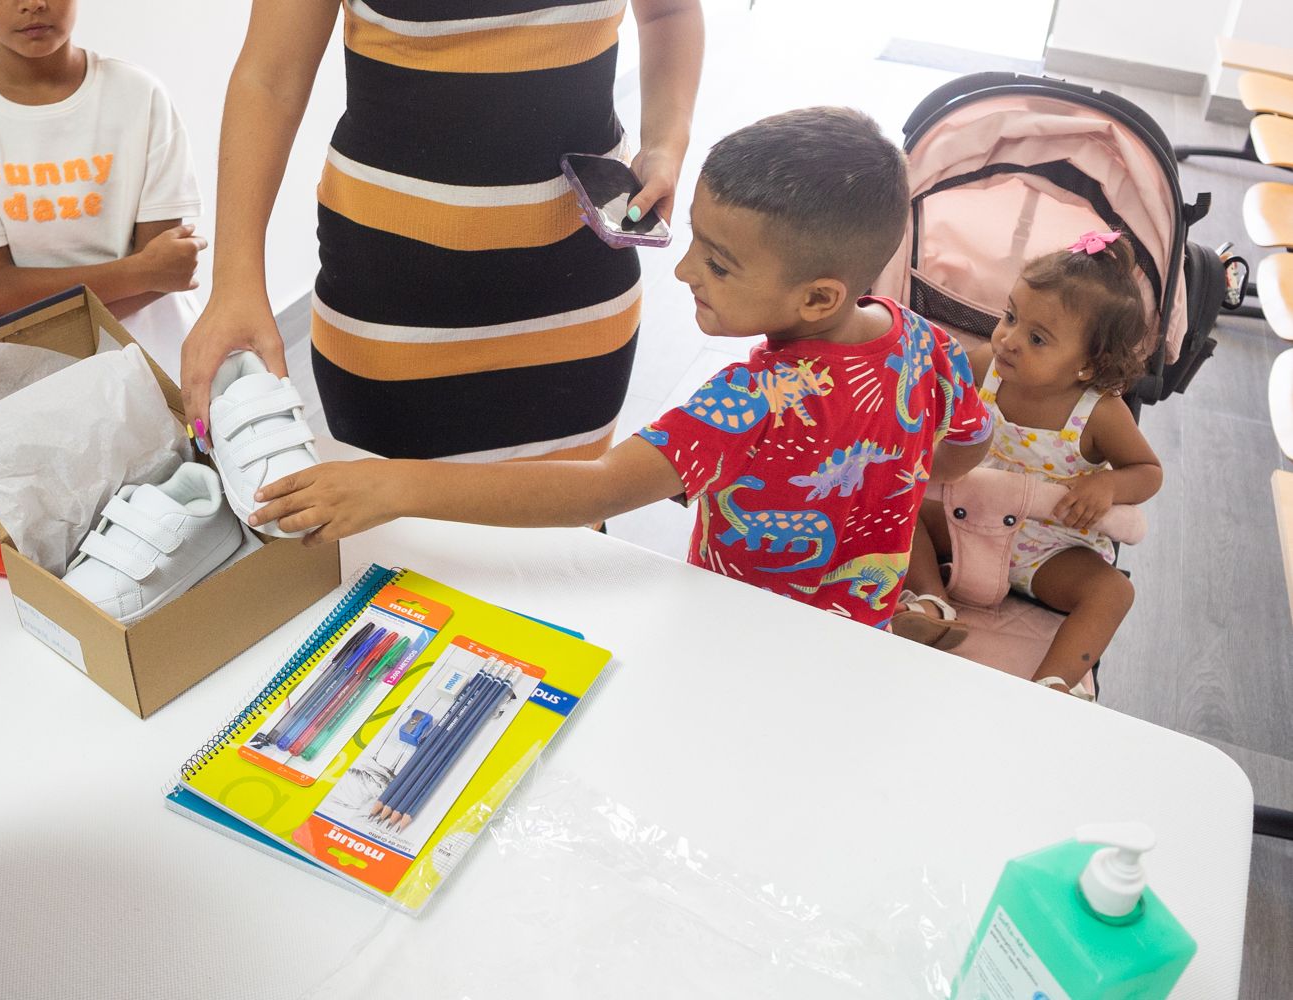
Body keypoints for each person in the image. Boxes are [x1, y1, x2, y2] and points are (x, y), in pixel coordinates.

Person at [245, 108, 995, 629]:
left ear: (819, 296)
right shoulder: (930, 345)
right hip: (864, 625)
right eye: (698, 239)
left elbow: (595, 489)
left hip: (733, 629)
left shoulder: (752, 399)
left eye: (720, 264)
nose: (683, 271)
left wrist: (397, 483)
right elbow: (964, 449)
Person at [179, 0, 704, 462]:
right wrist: (235, 285)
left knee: (555, 541)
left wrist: (665, 140)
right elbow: (271, 78)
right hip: (391, 305)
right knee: (399, 557)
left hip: (578, 293)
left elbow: (669, 11)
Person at [892, 231, 1163, 692]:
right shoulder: (985, 369)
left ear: (1088, 365)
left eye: (1036, 338)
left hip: (1051, 547)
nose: (1009, 339)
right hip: (965, 523)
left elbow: (1149, 472)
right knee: (903, 503)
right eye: (1010, 316)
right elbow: (935, 406)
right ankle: (932, 604)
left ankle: (1051, 684)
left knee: (1113, 591)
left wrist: (1109, 487)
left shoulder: (1098, 412)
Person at [0, 0, 206, 380]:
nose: (34, 4)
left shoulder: (139, 95)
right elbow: (0, 288)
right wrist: (140, 271)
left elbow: (168, 273)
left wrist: (16, 330)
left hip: (159, 354)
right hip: (41, 374)